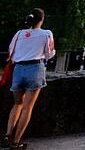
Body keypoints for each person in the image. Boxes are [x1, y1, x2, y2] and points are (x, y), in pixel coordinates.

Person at [3, 9, 55, 150]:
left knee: (17, 103)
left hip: (18, 69)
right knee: (28, 107)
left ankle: (8, 135)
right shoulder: (46, 33)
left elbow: (11, 52)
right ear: (42, 19)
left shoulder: (19, 34)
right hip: (35, 69)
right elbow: (49, 54)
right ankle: (16, 142)